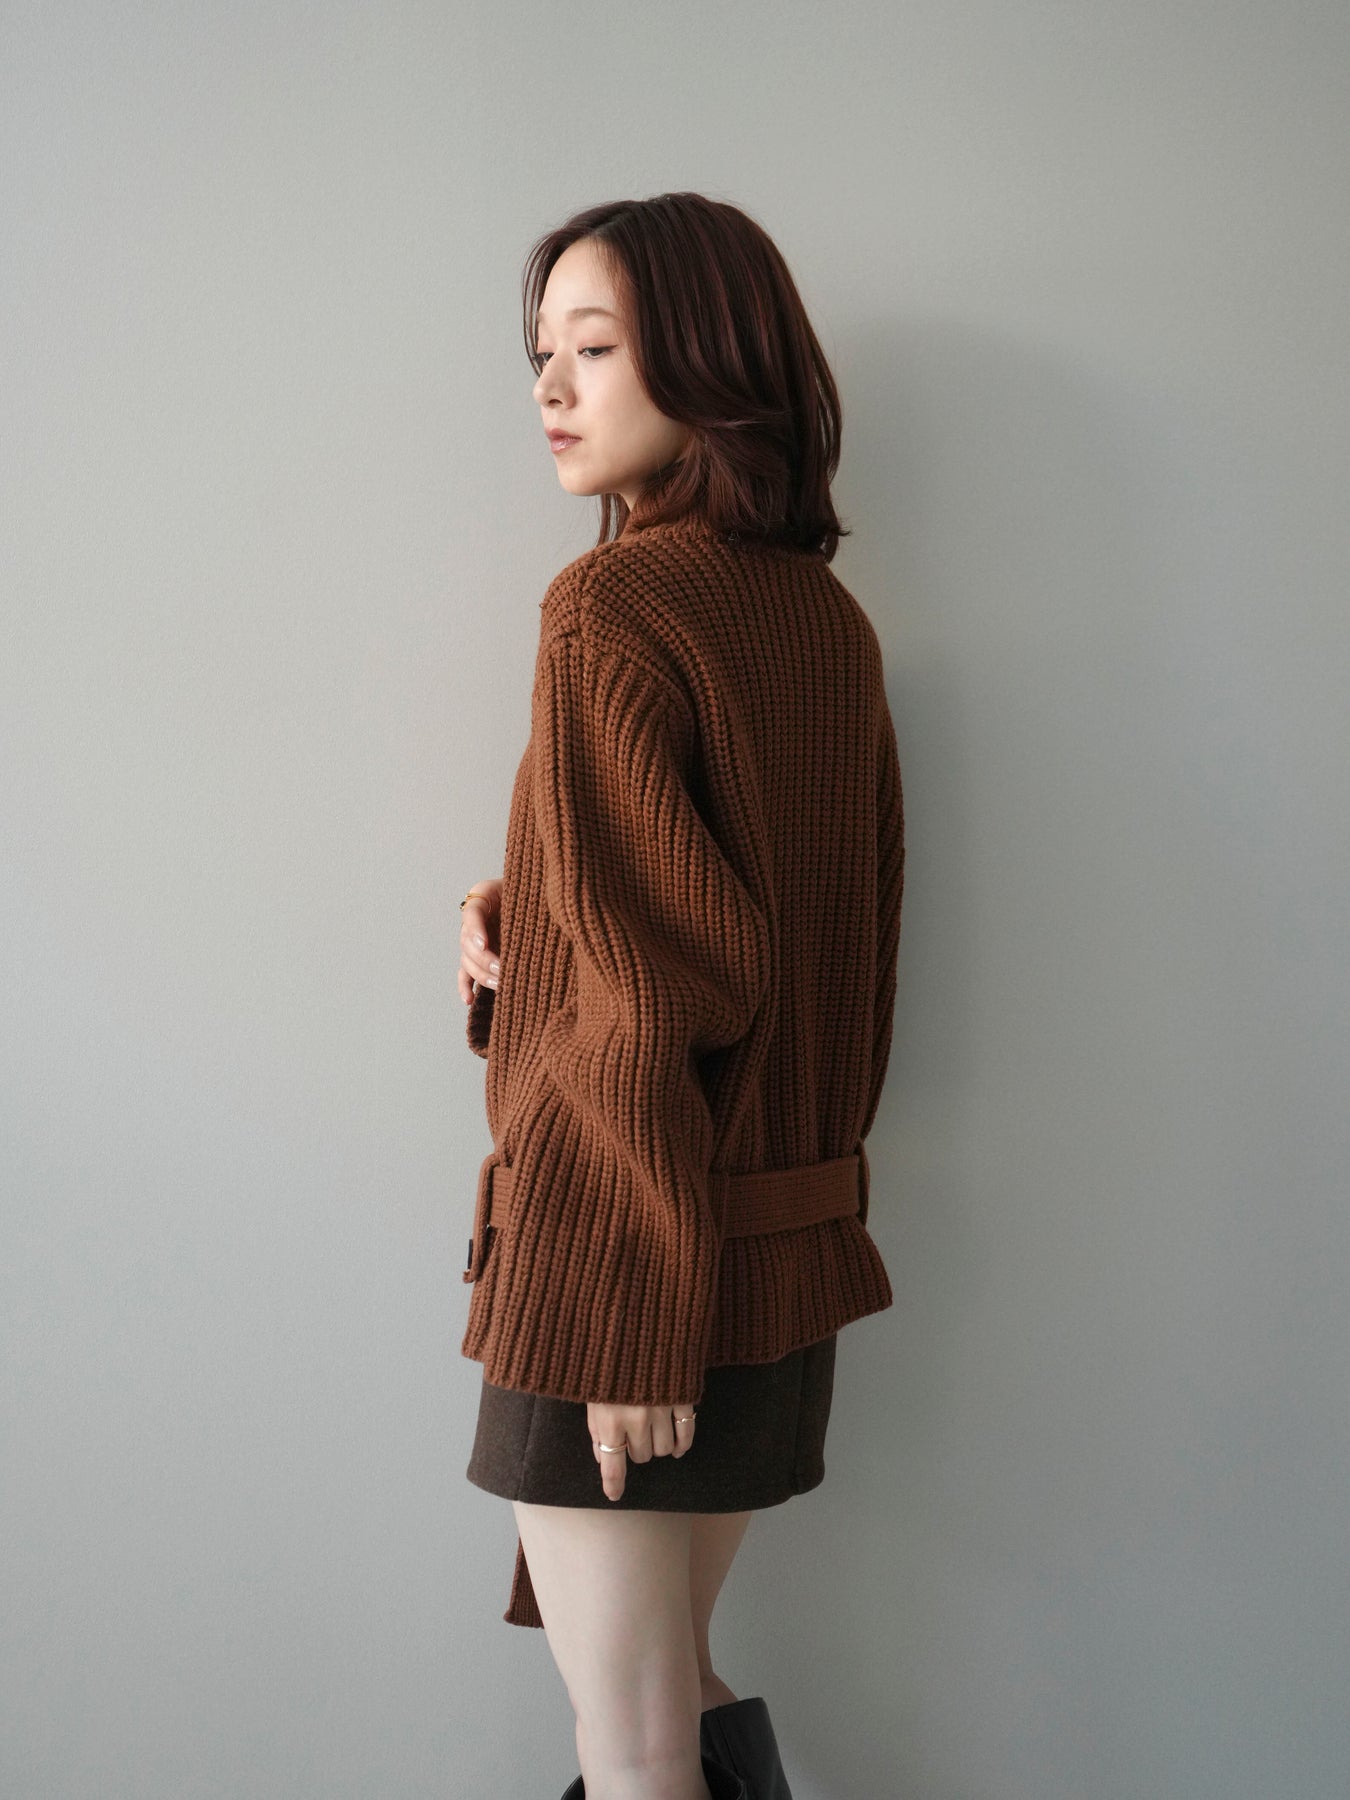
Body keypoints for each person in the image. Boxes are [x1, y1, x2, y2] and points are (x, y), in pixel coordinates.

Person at [456, 192, 905, 1800]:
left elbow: (651, 992)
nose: (548, 386)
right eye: (541, 353)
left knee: (637, 1747)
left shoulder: (611, 608)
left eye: (592, 347)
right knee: (676, 1694)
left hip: (622, 1270)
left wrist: (631, 1309)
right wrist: (521, 908)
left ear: (710, 363)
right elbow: (791, 941)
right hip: (774, 1260)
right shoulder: (820, 620)